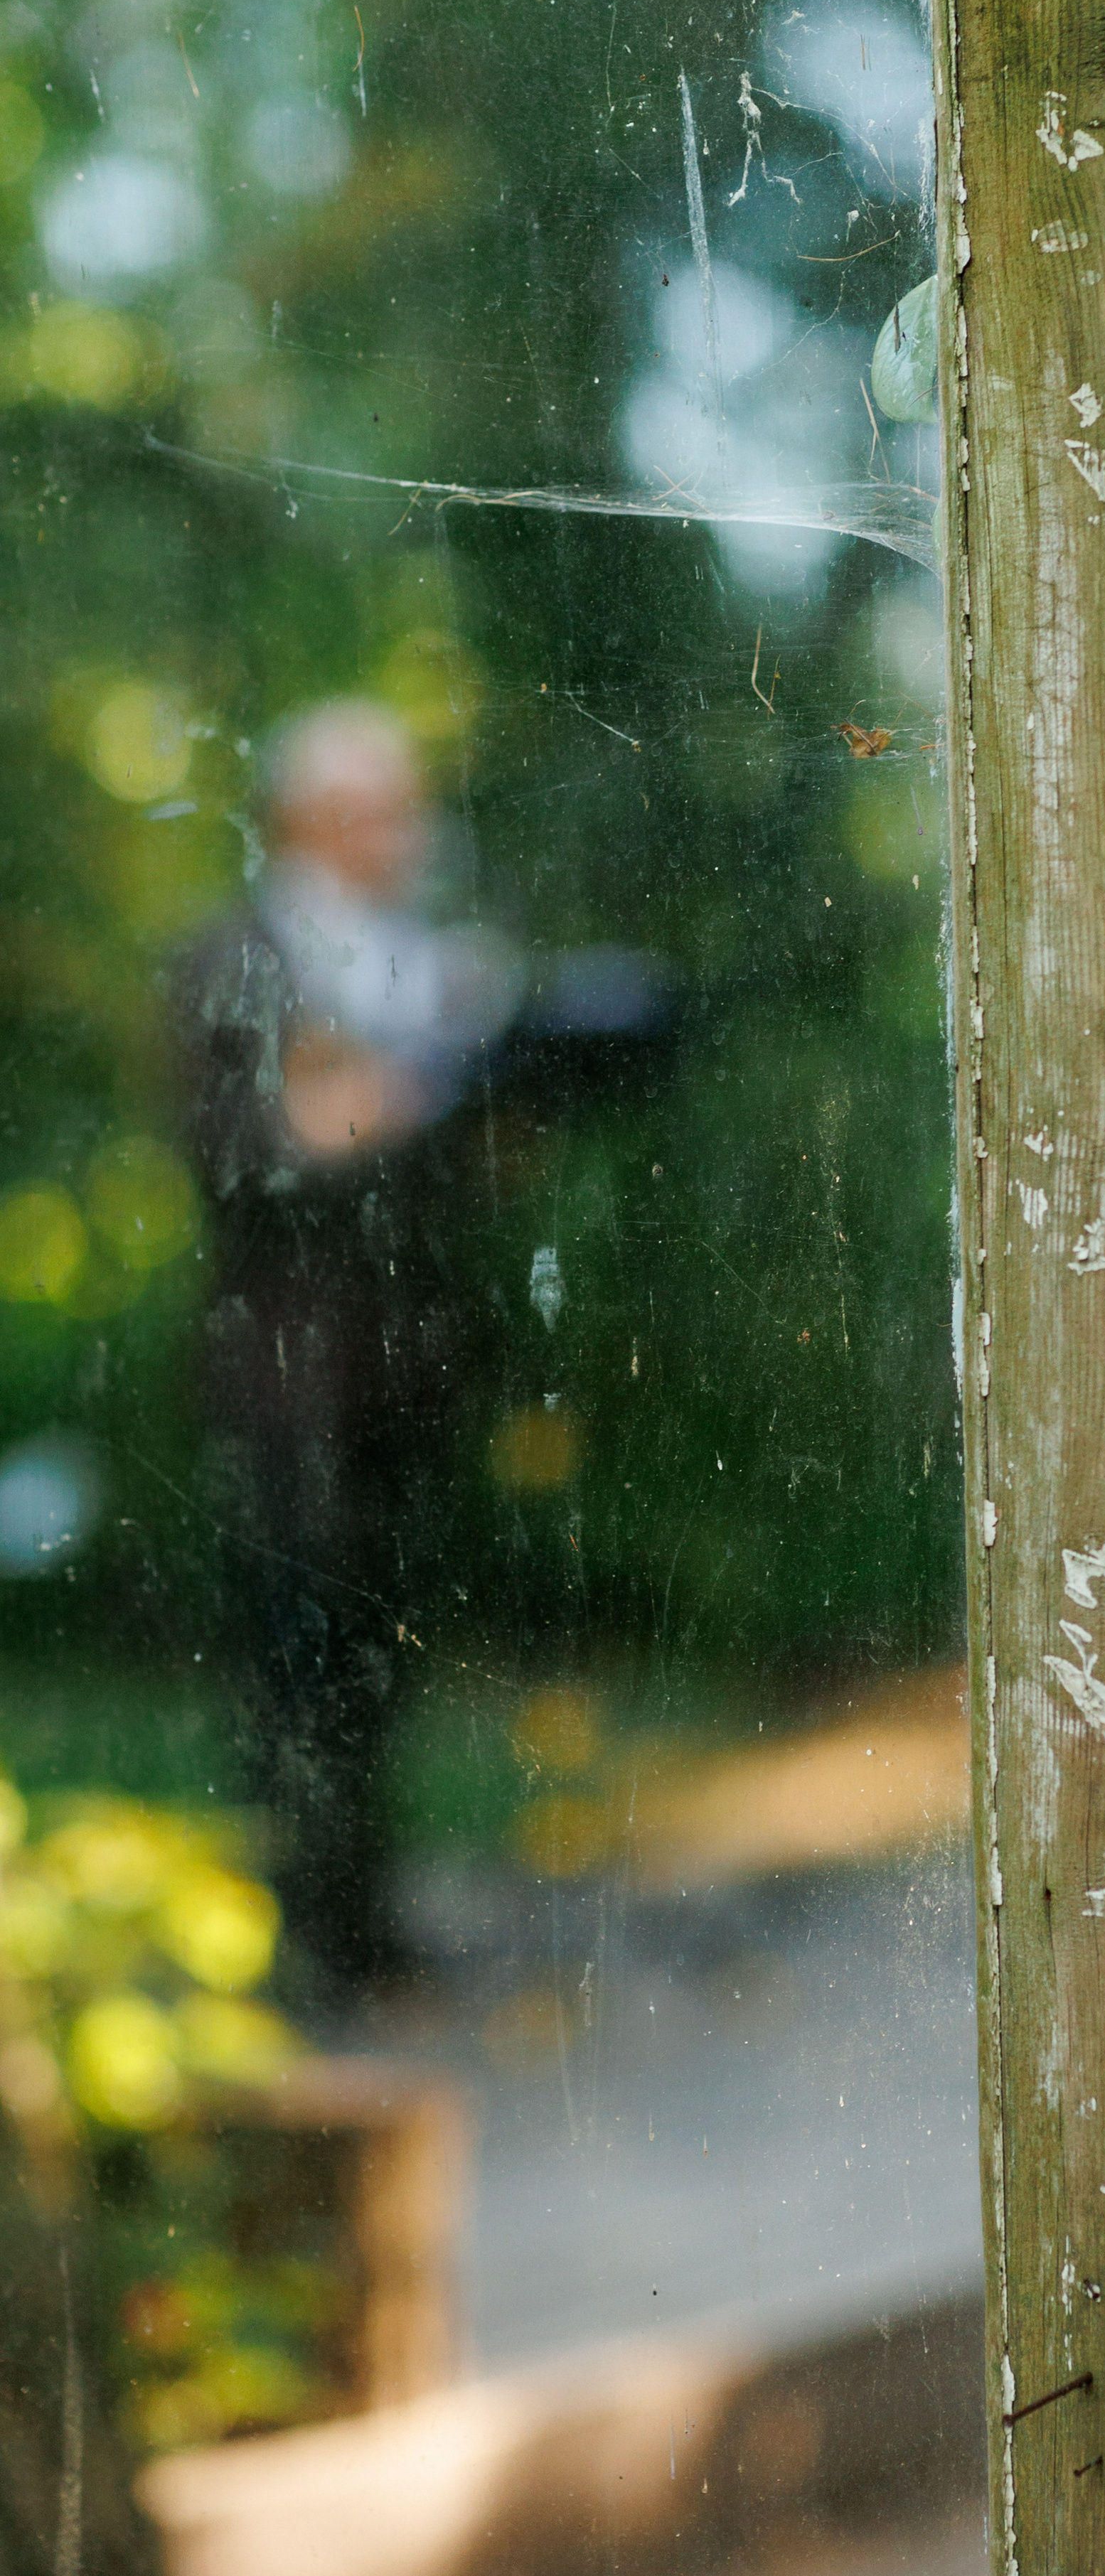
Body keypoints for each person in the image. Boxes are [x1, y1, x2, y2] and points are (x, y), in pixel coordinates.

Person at [171, 701, 667, 2005]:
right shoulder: (236, 952)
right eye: (383, 809)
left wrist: (505, 1095)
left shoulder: (416, 954)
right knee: (297, 1659)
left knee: (379, 1657)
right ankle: (302, 1938)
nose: (409, 833)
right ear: (313, 819)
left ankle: (365, 1924)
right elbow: (240, 1151)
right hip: (287, 1373)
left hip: (400, 1363)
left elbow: (451, 1166)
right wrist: (398, 1090)